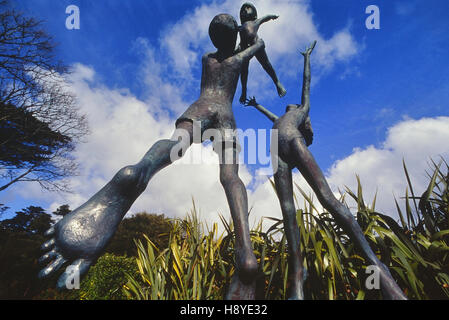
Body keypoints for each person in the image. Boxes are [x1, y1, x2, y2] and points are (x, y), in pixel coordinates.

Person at [39, 14, 265, 300]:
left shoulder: (208, 59)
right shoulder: (238, 59)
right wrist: (253, 30)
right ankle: (245, 250)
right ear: (233, 37)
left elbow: (231, 52)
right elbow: (256, 46)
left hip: (200, 108)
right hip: (225, 115)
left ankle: (138, 171)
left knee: (175, 146)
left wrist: (237, 39)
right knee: (230, 177)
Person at [245, 41, 407, 300]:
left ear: (302, 116)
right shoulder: (280, 120)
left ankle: (376, 264)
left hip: (293, 144)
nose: (291, 105)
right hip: (278, 154)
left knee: (326, 197)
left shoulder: (301, 111)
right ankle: (298, 276)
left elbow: (305, 84)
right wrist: (255, 106)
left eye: (295, 106)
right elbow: (269, 115)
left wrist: (307, 58)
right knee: (287, 212)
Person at [238, 2, 286, 104]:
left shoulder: (255, 22)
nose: (245, 10)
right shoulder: (240, 27)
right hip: (244, 48)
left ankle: (277, 82)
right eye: (243, 10)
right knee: (244, 71)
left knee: (266, 64)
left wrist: (272, 16)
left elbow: (265, 17)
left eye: (247, 8)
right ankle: (244, 91)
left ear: (254, 14)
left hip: (256, 44)